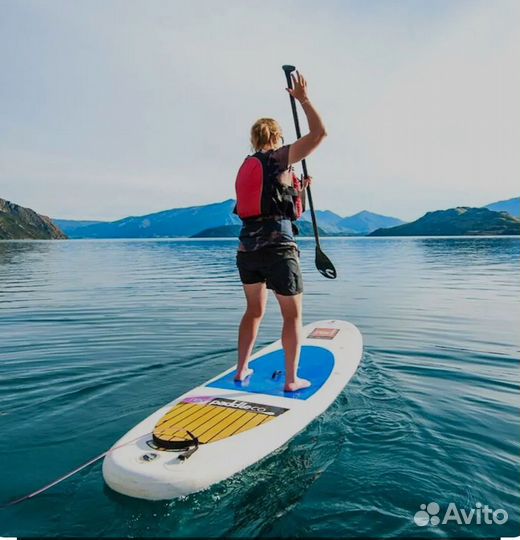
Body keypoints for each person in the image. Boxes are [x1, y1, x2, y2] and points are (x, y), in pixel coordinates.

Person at [234, 72, 327, 392]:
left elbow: (275, 203)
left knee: (254, 311)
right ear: (277, 137)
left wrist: (298, 192)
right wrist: (303, 99)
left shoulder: (248, 164)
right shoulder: (277, 158)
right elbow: (319, 134)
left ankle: (241, 369)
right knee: (292, 316)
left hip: (247, 250)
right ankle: (291, 380)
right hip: (278, 250)